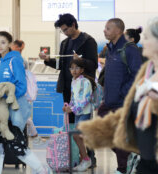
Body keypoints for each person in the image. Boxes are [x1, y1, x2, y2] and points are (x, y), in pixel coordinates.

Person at [78, 18, 158, 174]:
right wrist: (98, 131)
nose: (142, 42)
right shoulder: (149, 72)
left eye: (148, 38)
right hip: (148, 157)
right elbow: (133, 114)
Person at [0, 31, 47, 174]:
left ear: (9, 44)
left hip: (13, 109)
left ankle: (41, 170)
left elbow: (21, 86)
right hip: (1, 111)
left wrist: (7, 98)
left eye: (3, 42)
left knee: (17, 145)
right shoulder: (1, 62)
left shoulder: (15, 60)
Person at [39, 13, 98, 167]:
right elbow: (61, 65)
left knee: (84, 125)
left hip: (83, 90)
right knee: (71, 124)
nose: (64, 33)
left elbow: (93, 65)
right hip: (68, 88)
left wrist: (80, 60)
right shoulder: (65, 43)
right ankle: (74, 157)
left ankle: (90, 158)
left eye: (65, 29)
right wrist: (47, 61)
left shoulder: (88, 41)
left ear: (73, 24)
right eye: (62, 30)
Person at [95, 18, 143, 174]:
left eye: (108, 28)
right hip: (108, 100)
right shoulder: (110, 49)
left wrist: (123, 92)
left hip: (123, 102)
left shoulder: (130, 49)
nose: (104, 30)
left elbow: (138, 75)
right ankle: (131, 156)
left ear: (118, 30)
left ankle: (122, 169)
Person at [62, 58, 95, 171]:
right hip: (78, 113)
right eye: (72, 68)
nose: (74, 70)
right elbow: (73, 98)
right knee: (77, 136)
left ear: (82, 70)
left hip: (85, 113)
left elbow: (86, 99)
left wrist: (73, 109)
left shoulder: (85, 82)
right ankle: (84, 159)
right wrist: (69, 107)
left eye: (77, 68)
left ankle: (86, 159)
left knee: (77, 135)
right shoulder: (73, 81)